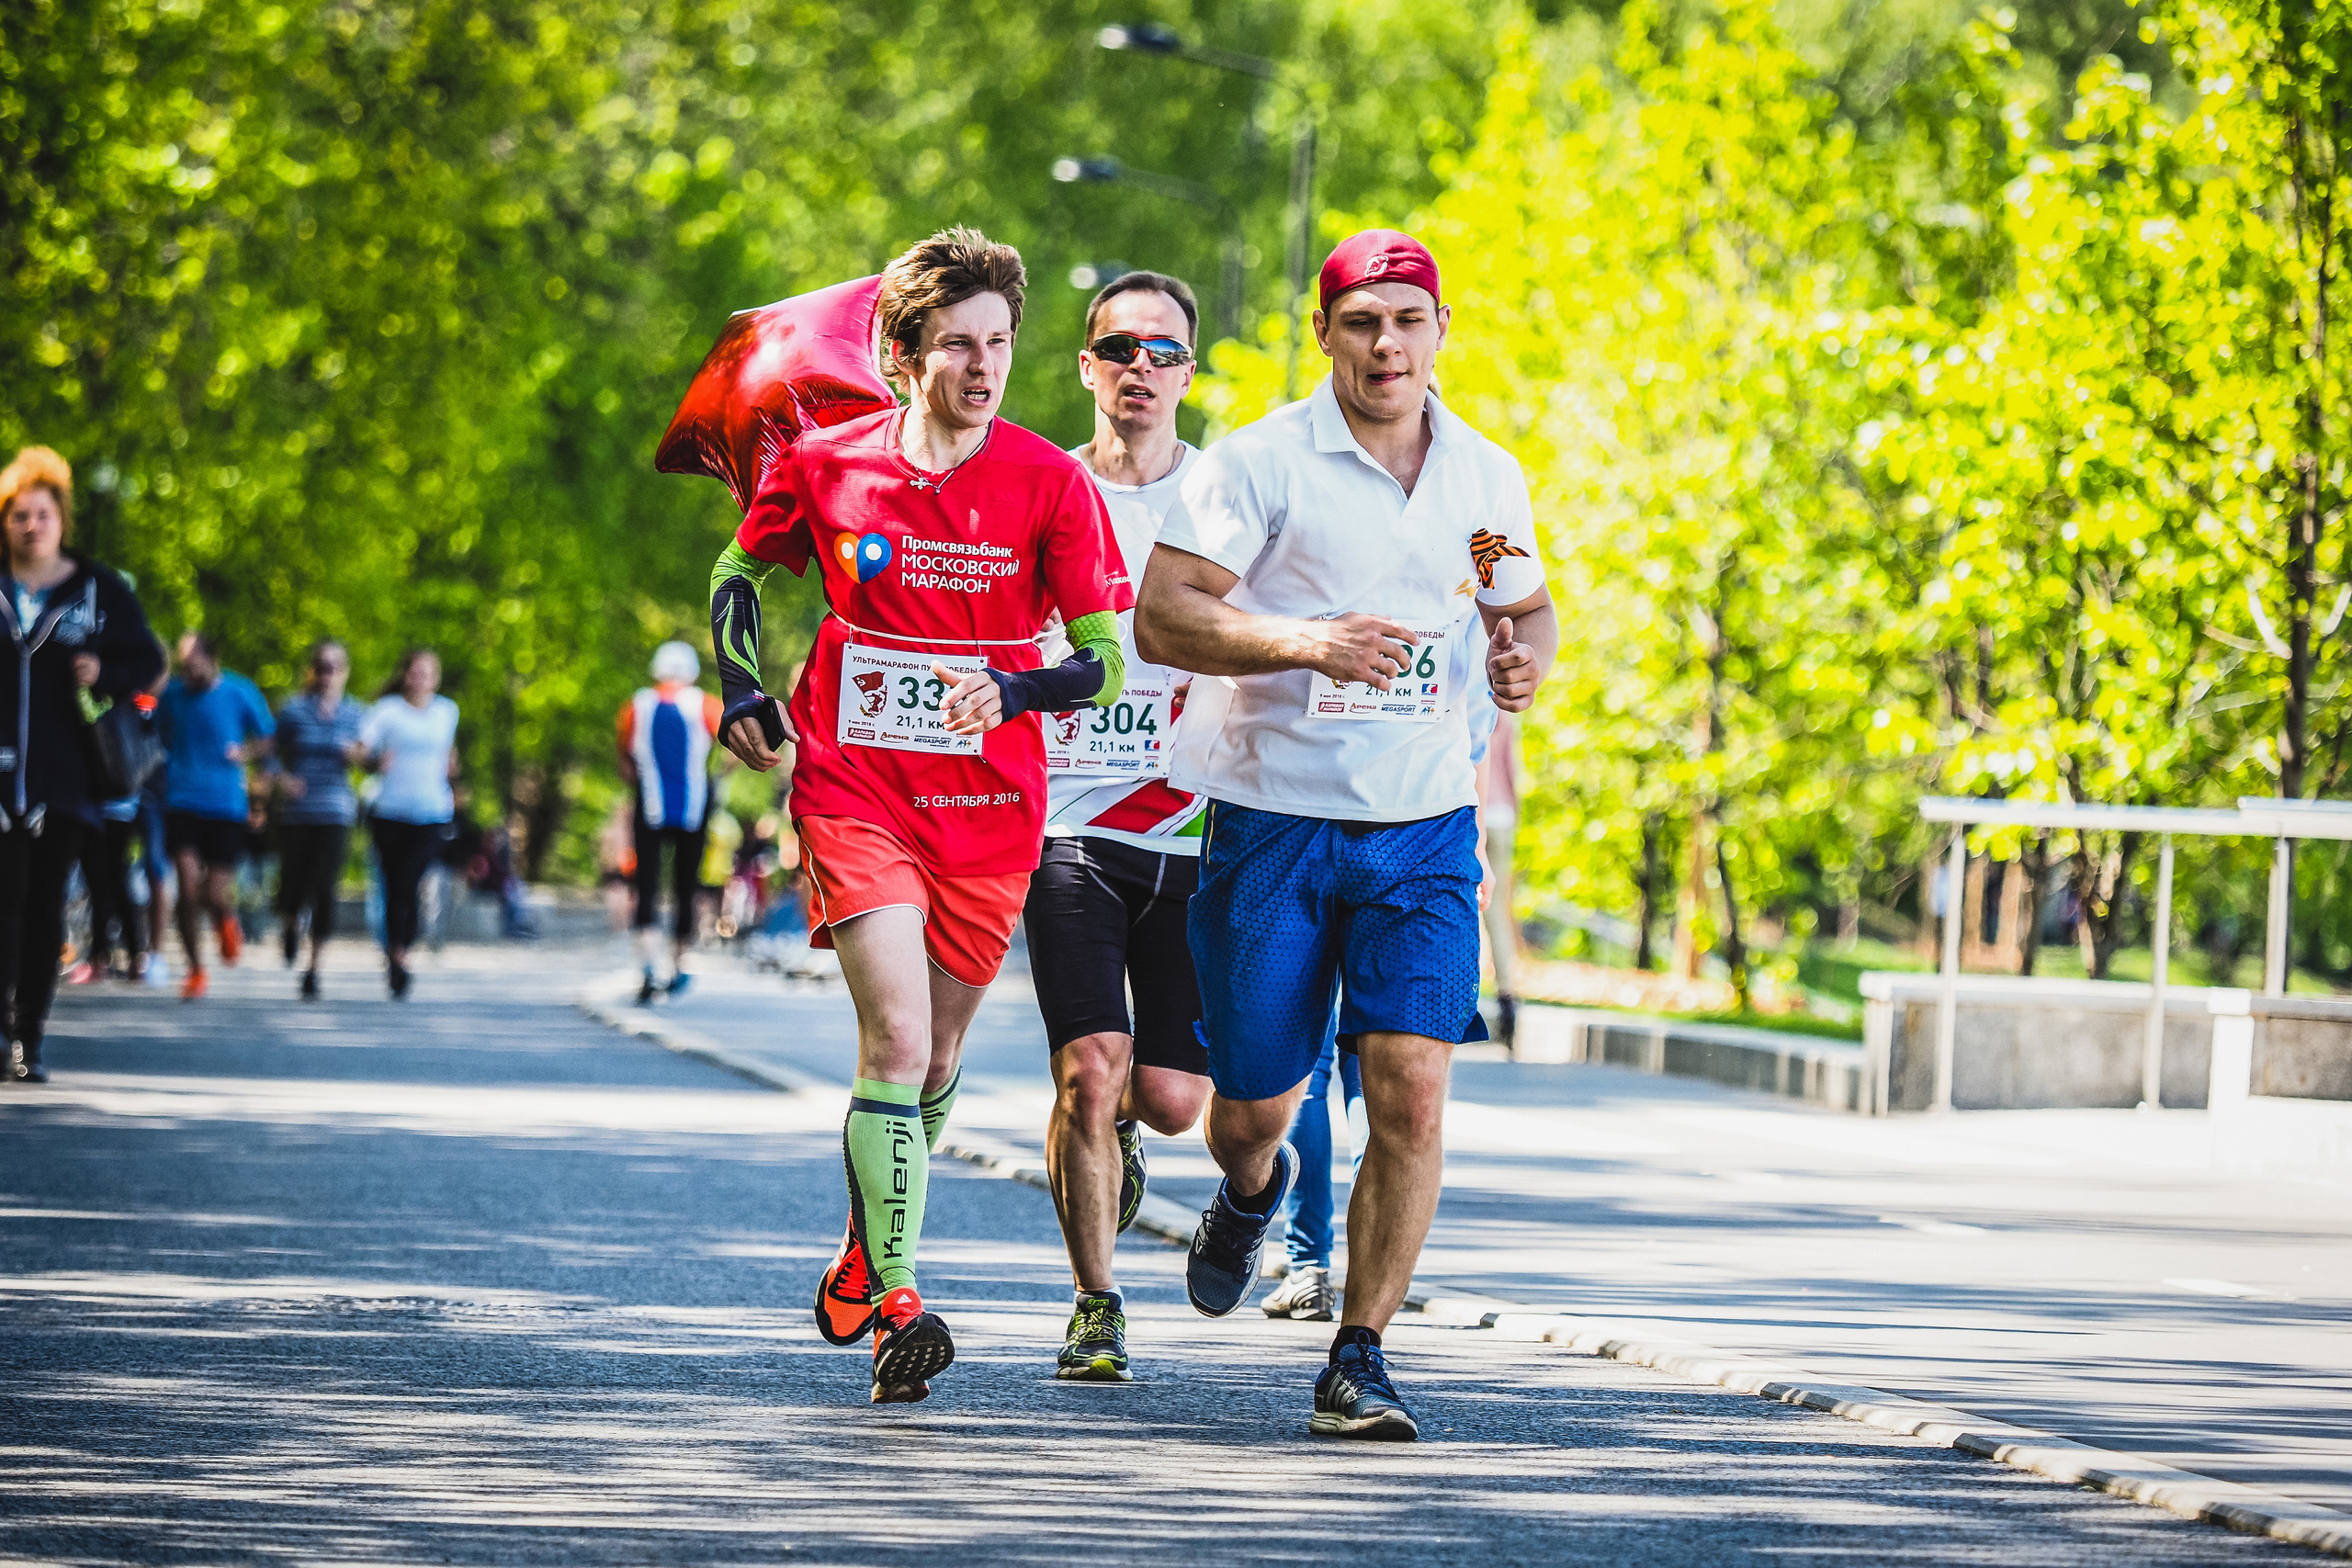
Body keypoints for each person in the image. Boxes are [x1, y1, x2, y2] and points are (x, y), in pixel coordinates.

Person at [1136, 229, 1557, 1440]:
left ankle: (1359, 1352)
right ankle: (1248, 1188)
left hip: (1425, 821)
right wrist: (1303, 641)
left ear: (1438, 332)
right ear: (1325, 332)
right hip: (1276, 818)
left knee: (1412, 1094)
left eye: (1408, 321)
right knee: (1256, 1106)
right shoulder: (1259, 462)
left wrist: (1526, 657)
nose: (1387, 344)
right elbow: (1164, 616)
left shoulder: (1483, 475)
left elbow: (1520, 603)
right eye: (1362, 321)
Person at [709, 228, 1130, 1404]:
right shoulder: (826, 462)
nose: (983, 367)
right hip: (853, 787)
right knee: (892, 1043)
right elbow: (736, 579)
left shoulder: (1051, 482)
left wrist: (1015, 685)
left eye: (998, 344)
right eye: (956, 346)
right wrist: (743, 685)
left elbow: (1101, 663)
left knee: (939, 1056)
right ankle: (900, 1305)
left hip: (990, 803)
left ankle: (860, 1254)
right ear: (902, 355)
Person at [1022, 269, 1216, 1382]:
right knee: (1088, 1073)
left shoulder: (1224, 497)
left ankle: (1133, 1137)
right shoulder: (1044, 489)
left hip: (1192, 825)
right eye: (1121, 348)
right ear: (1087, 364)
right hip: (1069, 827)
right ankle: (1096, 1303)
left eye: (1165, 351)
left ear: (1189, 371)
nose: (1141, 367)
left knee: (1171, 1100)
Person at [0, 446, 165, 1080]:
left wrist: (106, 672)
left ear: (60, 520)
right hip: (1, 771)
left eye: (41, 515)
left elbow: (149, 662)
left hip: (66, 776)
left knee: (43, 906)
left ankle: (28, 1035)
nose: (31, 526)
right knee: (2, 902)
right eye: (19, 515)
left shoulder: (97, 591)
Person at [157, 631, 274, 1001]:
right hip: (181, 801)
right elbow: (154, 734)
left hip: (226, 805)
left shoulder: (239, 692)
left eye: (194, 665)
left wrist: (248, 755)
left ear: (211, 659)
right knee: (187, 886)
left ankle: (226, 919)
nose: (189, 673)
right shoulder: (172, 695)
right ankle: (195, 969)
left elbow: (270, 738)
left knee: (214, 890)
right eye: (184, 666)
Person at [616, 640, 726, 1002]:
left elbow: (625, 758)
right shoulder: (706, 705)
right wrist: (716, 777)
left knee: (645, 883)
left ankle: (647, 965)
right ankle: (678, 965)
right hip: (694, 804)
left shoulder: (635, 706)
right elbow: (733, 746)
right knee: (685, 885)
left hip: (648, 803)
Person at [271, 640, 367, 999]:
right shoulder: (294, 711)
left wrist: (359, 755)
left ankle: (313, 968)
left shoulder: (357, 713)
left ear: (345, 671)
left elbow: (372, 755)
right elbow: (268, 753)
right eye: (322, 667)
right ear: (313, 671)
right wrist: (282, 779)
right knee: (293, 887)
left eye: (335, 667)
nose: (328, 674)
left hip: (337, 812)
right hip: (296, 814)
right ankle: (291, 925)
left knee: (325, 888)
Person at [361, 648, 458, 998]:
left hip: (431, 812)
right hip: (389, 811)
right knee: (391, 885)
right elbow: (361, 750)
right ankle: (394, 953)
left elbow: (450, 755)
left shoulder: (448, 711)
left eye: (427, 672)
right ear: (405, 675)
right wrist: (374, 761)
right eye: (415, 672)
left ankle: (401, 953)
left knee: (412, 883)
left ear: (436, 678)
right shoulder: (387, 711)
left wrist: (453, 778)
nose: (420, 678)